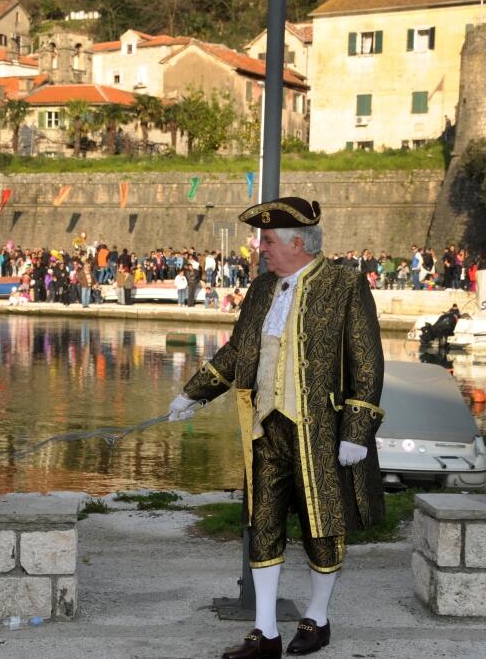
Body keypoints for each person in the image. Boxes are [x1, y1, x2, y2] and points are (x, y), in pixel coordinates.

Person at [168, 197, 385, 659]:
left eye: (267, 240)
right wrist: (193, 393)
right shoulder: (262, 289)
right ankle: (264, 632)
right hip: (265, 430)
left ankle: (318, 618)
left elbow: (367, 363)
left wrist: (357, 431)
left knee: (323, 527)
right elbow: (237, 352)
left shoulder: (345, 285)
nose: (260, 248)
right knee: (261, 525)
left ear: (298, 242)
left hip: (322, 431)